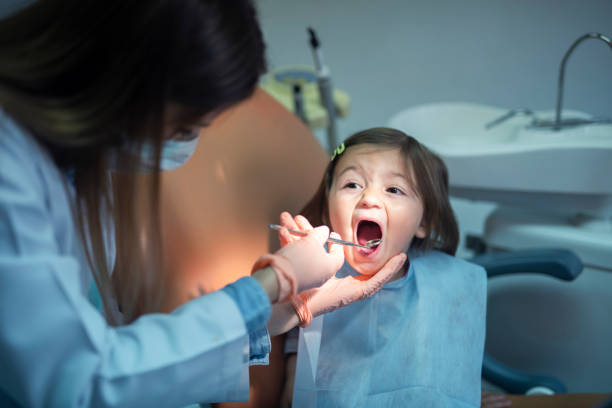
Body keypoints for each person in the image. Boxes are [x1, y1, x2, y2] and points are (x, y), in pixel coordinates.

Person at [0, 2, 405, 407]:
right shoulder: (11, 175)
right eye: (183, 128)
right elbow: (82, 382)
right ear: (120, 87)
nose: (369, 198)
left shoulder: (77, 157)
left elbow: (128, 358)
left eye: (395, 189)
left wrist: (277, 316)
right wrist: (271, 283)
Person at [278, 127, 487, 407]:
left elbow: (450, 380)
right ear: (328, 210)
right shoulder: (310, 289)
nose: (369, 199)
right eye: (352, 184)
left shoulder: (453, 286)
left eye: (394, 189)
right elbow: (294, 392)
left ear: (424, 223)